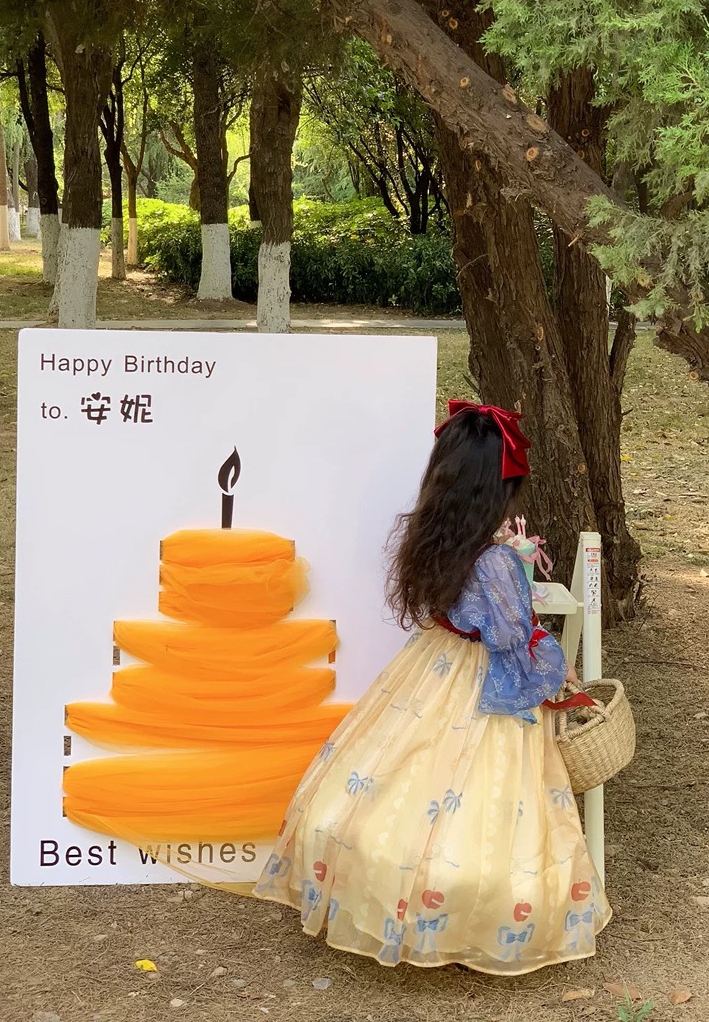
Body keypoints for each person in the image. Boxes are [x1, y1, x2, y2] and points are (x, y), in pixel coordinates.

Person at [254, 400, 610, 974]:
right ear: (498, 490)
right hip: (484, 683)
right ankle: (470, 914)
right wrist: (554, 663)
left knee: (402, 772)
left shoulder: (435, 536)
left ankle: (386, 893)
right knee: (485, 796)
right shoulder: (494, 560)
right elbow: (510, 637)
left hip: (434, 667)